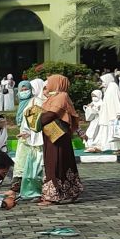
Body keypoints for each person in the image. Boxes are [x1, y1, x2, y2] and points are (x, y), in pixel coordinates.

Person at [37, 74, 83, 204]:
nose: (47, 84)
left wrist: (36, 121)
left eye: (50, 81)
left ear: (57, 83)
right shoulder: (54, 96)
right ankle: (70, 192)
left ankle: (52, 196)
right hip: (51, 135)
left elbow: (51, 114)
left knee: (54, 163)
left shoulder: (62, 96)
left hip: (57, 138)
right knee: (59, 162)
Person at [11, 79, 44, 200]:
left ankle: (34, 191)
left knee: (33, 166)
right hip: (24, 138)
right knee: (22, 164)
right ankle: (23, 190)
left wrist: (29, 133)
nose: (24, 92)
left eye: (27, 89)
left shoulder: (35, 102)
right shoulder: (22, 104)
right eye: (22, 90)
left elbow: (37, 121)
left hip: (33, 138)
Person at [88, 73, 120, 154]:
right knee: (106, 131)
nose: (103, 84)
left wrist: (117, 114)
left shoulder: (113, 87)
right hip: (108, 114)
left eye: (104, 81)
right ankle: (101, 146)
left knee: (116, 131)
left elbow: (116, 102)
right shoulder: (109, 88)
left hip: (114, 114)